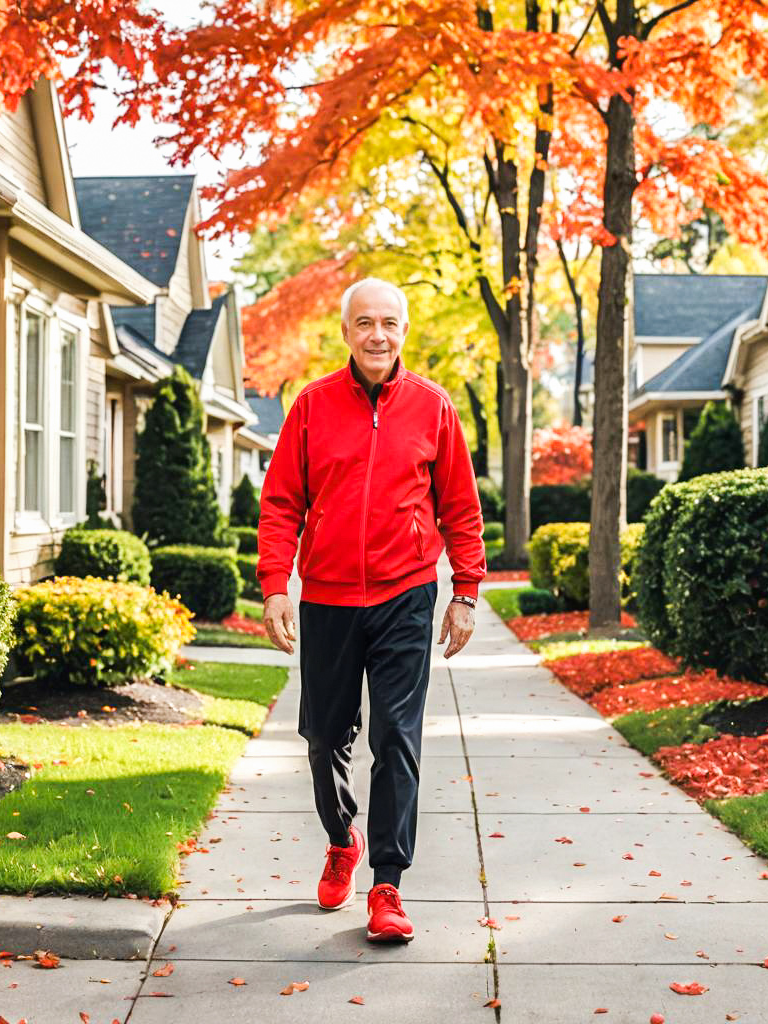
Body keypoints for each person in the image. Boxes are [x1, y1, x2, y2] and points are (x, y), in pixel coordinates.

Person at [256, 277, 486, 943]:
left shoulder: (435, 408)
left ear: (404, 331)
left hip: (405, 596)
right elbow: (281, 505)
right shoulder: (311, 406)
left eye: (388, 322)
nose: (377, 334)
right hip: (327, 597)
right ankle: (341, 839)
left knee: (396, 737)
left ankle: (388, 884)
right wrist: (276, 585)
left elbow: (462, 512)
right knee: (326, 736)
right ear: (346, 331)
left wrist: (464, 592)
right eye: (364, 323)